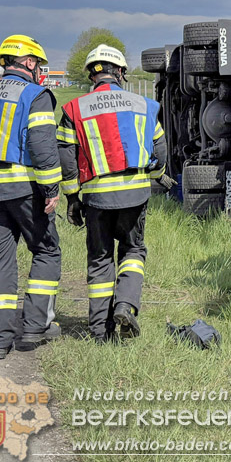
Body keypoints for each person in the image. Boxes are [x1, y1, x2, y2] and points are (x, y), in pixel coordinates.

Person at [57, 44, 167, 343]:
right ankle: (125, 305)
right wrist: (156, 177)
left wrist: (71, 197)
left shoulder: (74, 109)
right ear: (120, 71)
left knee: (100, 258)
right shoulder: (143, 105)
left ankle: (99, 332)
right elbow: (159, 149)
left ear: (93, 74)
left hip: (96, 197)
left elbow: (66, 156)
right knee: (133, 251)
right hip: (135, 195)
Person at [0, 35, 62, 360]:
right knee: (47, 251)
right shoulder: (35, 95)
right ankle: (34, 328)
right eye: (40, 66)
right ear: (29, 63)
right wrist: (51, 189)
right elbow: (43, 146)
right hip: (24, 189)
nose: (41, 72)